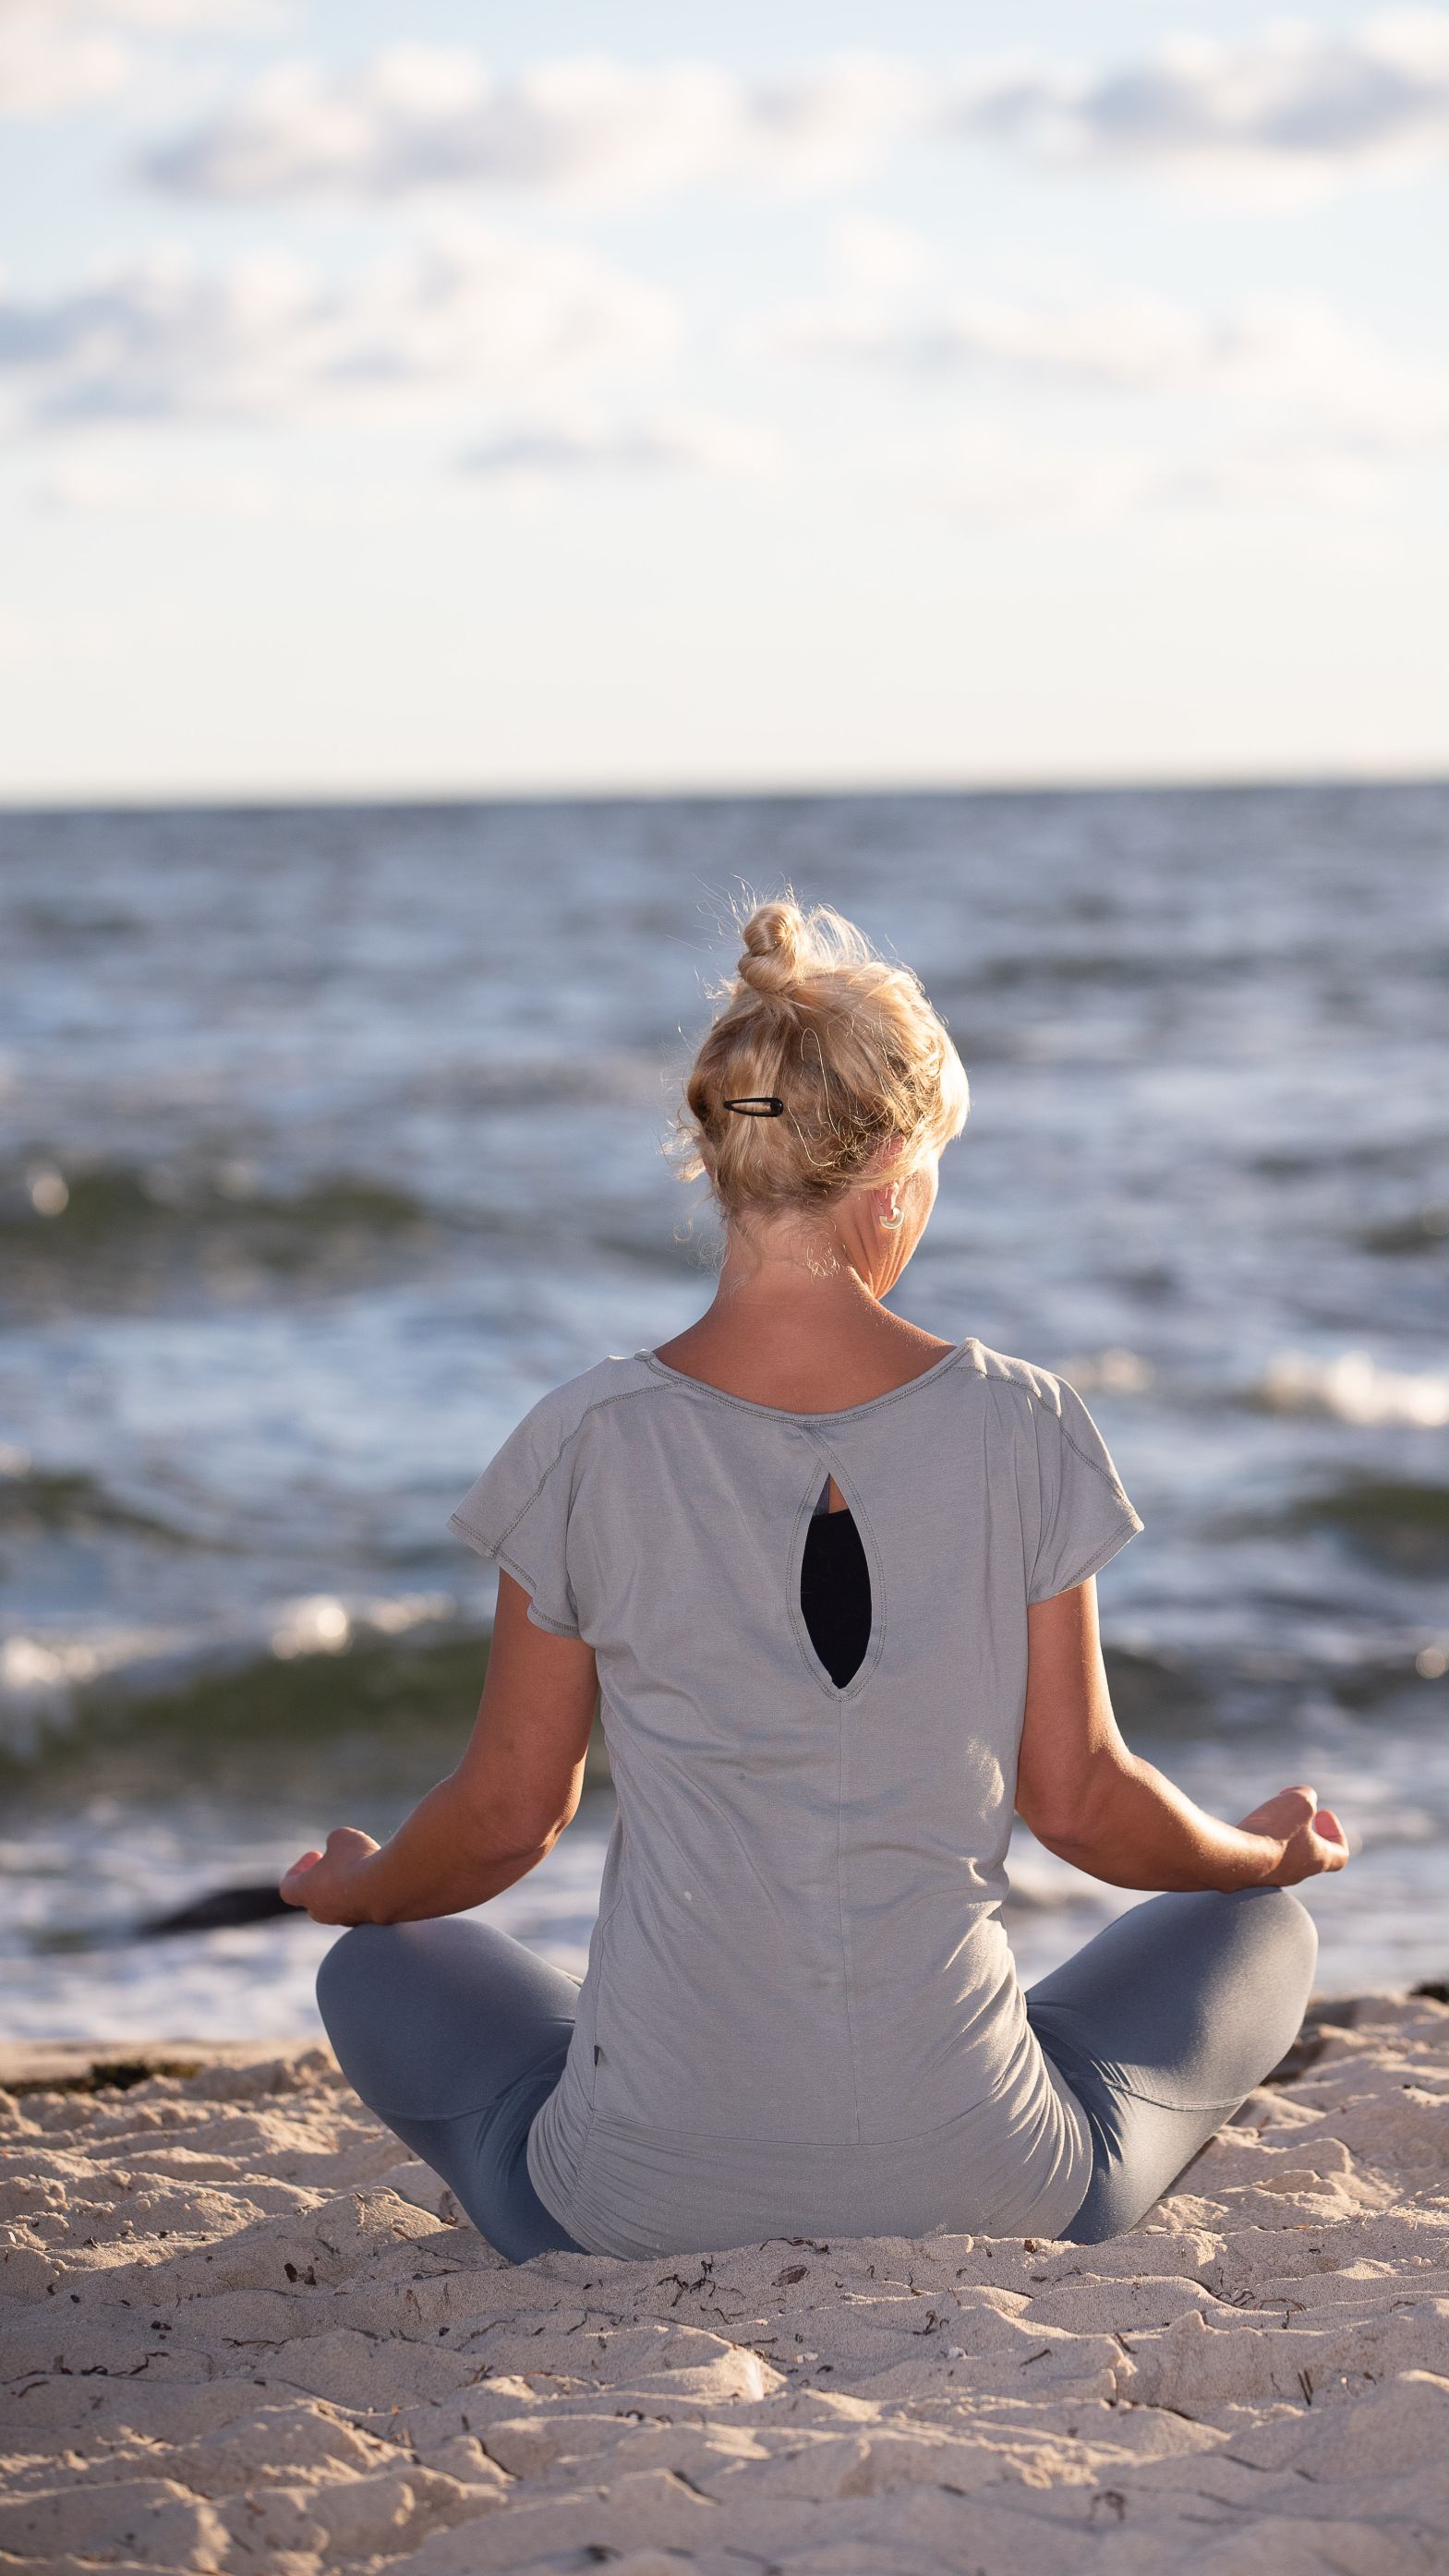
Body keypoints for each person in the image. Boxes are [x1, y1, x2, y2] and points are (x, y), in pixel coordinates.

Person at [283, 899, 1347, 2263]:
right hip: (989, 2179)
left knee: (376, 1960)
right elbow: (1083, 1803)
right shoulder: (1024, 1423)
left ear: (720, 1160)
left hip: (633, 2203)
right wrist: (1262, 1856)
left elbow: (502, 1821)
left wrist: (366, 1887)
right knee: (1267, 1934)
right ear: (894, 1163)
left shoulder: (586, 1439)